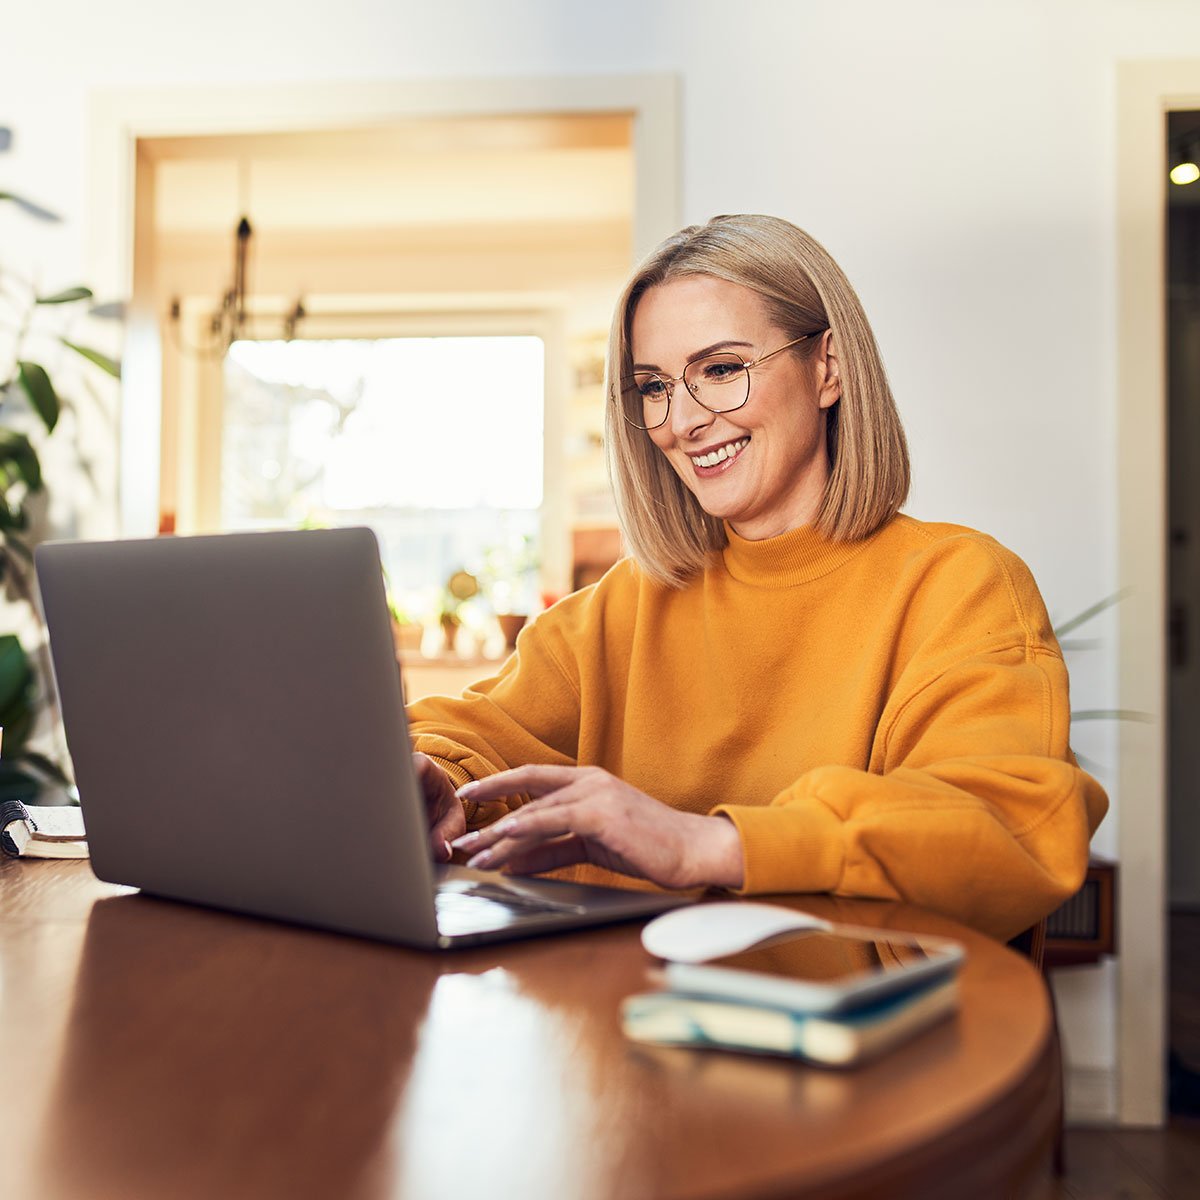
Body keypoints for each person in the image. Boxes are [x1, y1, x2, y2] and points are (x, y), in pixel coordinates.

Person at [408, 213, 1107, 941]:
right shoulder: (625, 606)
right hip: (637, 1027)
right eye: (654, 386)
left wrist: (709, 844)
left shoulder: (960, 586)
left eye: (720, 370)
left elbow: (1009, 828)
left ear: (827, 368)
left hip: (857, 1039)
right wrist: (435, 777)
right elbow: (469, 729)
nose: (681, 421)